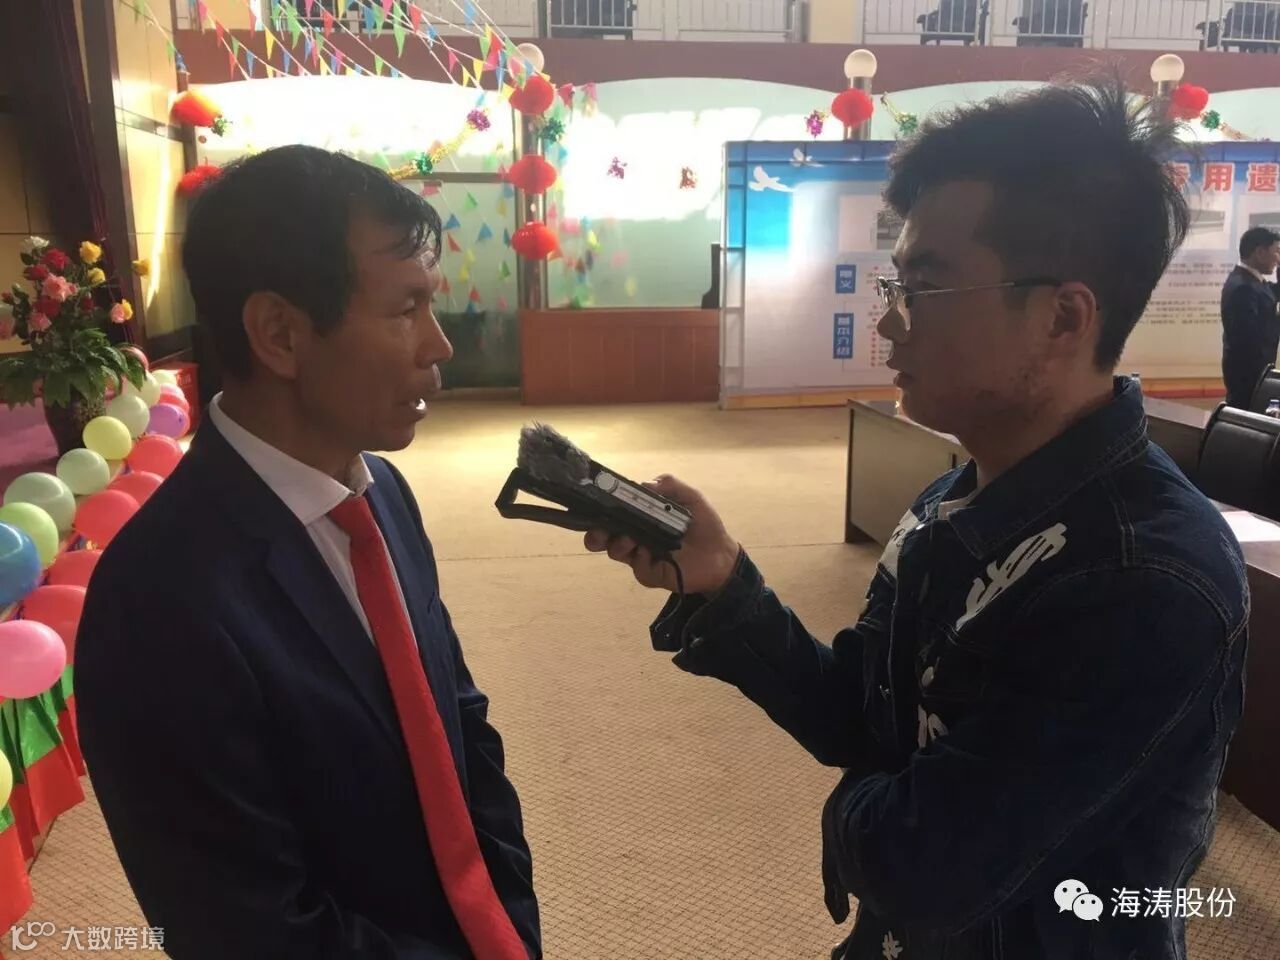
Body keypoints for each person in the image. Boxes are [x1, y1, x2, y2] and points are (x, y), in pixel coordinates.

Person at [587, 78, 1247, 960]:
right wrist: (724, 581)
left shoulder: (1141, 580)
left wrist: (852, 807)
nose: (889, 323)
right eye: (896, 284)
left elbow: (926, 863)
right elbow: (863, 715)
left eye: (925, 289)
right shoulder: (956, 498)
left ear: (1062, 317)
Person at [76, 146, 540, 960]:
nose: (439, 345)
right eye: (406, 309)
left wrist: (508, 913)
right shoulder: (159, 603)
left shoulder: (382, 493)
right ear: (280, 334)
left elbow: (459, 722)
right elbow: (245, 930)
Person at [1220, 225, 1280, 407]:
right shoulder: (1243, 287)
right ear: (1260, 252)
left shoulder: (1252, 282)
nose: (1277, 258)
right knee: (1246, 416)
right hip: (1247, 374)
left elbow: (1272, 294)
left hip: (1253, 370)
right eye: (1276, 252)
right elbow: (1249, 335)